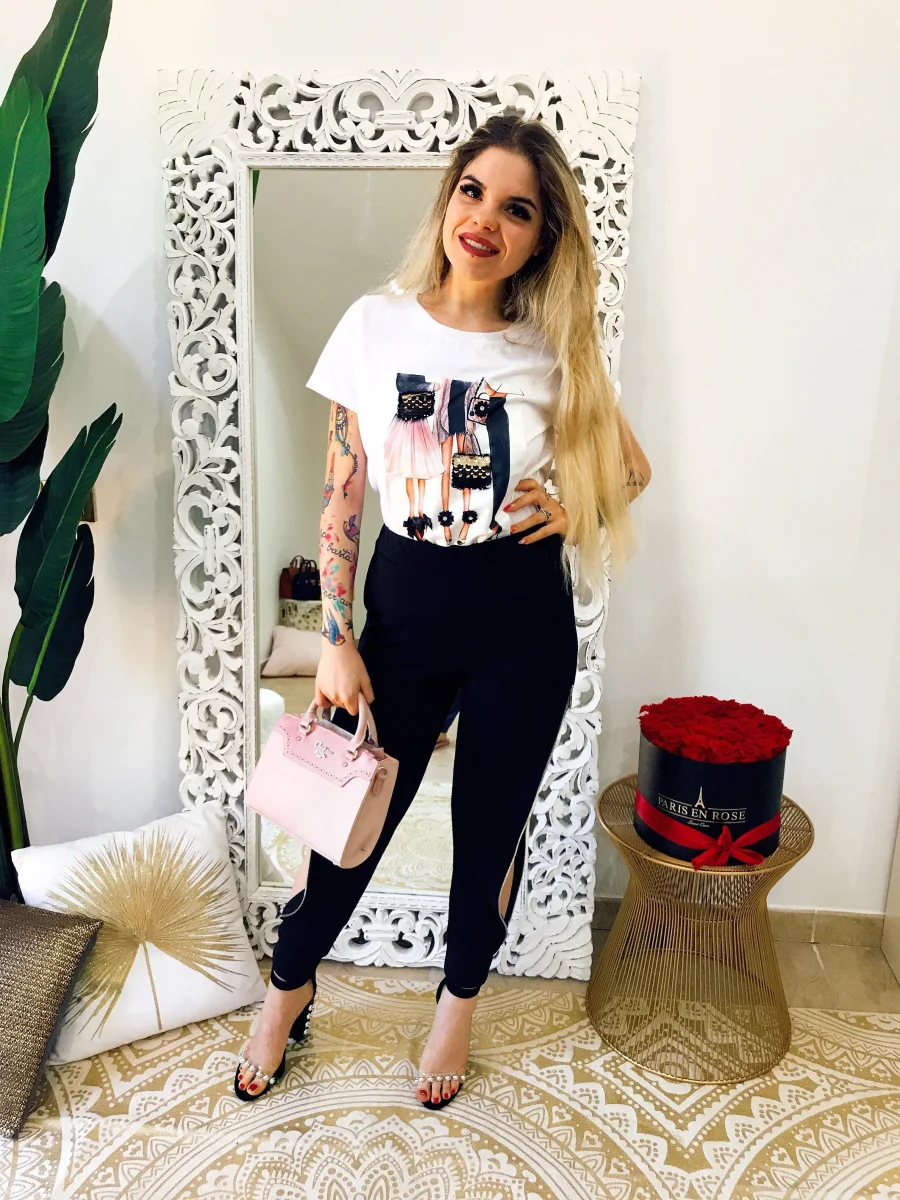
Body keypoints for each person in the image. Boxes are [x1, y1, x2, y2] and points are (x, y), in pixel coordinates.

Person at [235, 113, 652, 1109]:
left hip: (522, 619)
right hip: (407, 607)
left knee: (489, 829)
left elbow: (631, 469)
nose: (486, 220)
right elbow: (342, 494)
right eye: (474, 192)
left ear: (542, 238)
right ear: (448, 197)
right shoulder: (374, 326)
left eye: (518, 210)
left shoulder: (552, 350)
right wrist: (336, 639)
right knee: (352, 820)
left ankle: (457, 1002)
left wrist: (577, 506)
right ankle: (288, 989)